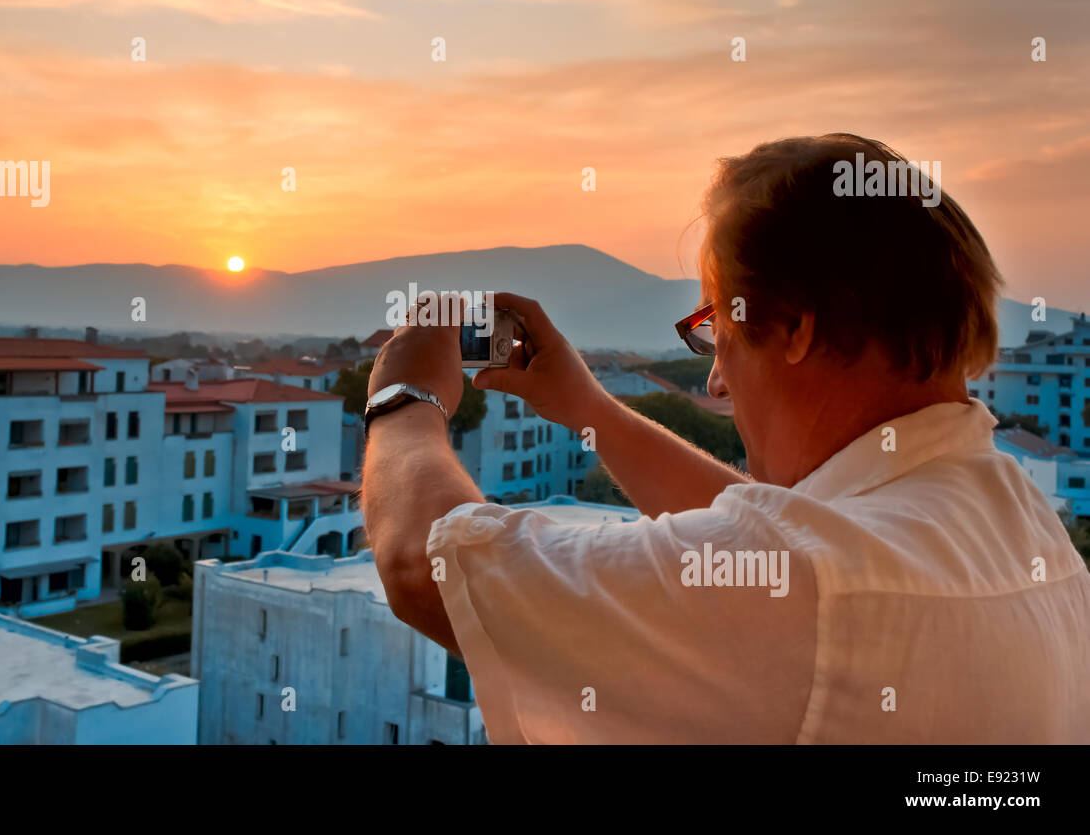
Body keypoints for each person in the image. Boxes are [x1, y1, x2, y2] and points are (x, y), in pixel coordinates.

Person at [361, 133, 1090, 744]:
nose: (715, 382)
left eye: (721, 329)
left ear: (797, 326)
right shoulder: (1030, 534)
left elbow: (424, 568)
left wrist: (404, 393)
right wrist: (590, 409)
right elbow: (790, 547)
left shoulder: (810, 592)